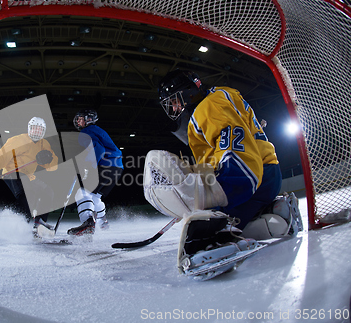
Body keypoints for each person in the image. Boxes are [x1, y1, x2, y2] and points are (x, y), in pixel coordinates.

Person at [154, 69, 282, 231]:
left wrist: (218, 197)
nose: (174, 108)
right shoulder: (219, 95)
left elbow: (238, 157)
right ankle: (272, 212)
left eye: (174, 100)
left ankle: (269, 218)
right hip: (266, 173)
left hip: (254, 178)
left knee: (201, 232)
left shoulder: (209, 107)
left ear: (188, 92)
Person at [0, 117, 59, 237]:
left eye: (39, 130)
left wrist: (49, 159)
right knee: (25, 195)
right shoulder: (18, 140)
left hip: (28, 175)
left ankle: (39, 222)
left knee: (48, 192)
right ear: (29, 129)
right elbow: (2, 156)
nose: (37, 132)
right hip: (12, 172)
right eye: (34, 129)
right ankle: (21, 225)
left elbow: (52, 167)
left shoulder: (44, 144)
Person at [67, 109, 124, 236]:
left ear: (88, 119)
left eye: (80, 118)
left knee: (82, 193)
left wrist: (87, 166)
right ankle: (103, 223)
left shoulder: (85, 132)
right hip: (117, 168)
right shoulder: (97, 130)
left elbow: (98, 149)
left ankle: (88, 223)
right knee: (95, 196)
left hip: (104, 166)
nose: (78, 121)